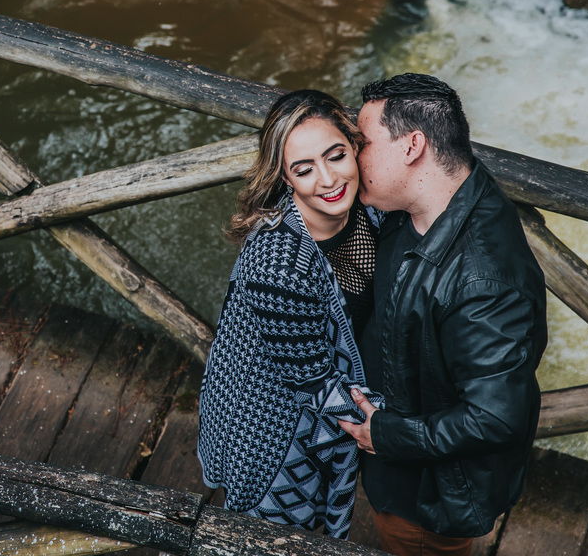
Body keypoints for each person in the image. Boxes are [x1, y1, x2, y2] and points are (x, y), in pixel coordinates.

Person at [339, 73, 548, 556]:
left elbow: (495, 418)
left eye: (362, 143)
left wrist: (384, 436)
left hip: (426, 500)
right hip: (396, 467)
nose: (352, 159)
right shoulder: (414, 204)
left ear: (413, 146)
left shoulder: (484, 281)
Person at [198, 89, 383, 539]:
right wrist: (394, 425)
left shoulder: (371, 210)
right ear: (286, 178)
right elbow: (313, 382)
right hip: (270, 424)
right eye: (304, 169)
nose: (327, 179)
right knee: (279, 536)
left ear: (354, 148)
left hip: (326, 392)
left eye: (336, 155)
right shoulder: (278, 266)